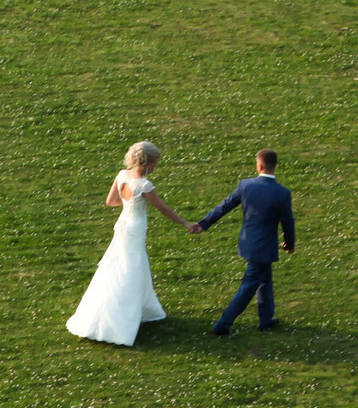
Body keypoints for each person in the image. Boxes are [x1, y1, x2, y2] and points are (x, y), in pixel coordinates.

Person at [66, 141, 197, 346]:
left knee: (119, 264)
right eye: (154, 164)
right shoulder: (144, 185)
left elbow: (111, 201)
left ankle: (139, 309)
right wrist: (185, 223)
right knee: (131, 268)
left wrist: (129, 204)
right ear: (147, 163)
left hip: (123, 225)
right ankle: (123, 317)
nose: (154, 168)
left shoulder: (122, 176)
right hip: (135, 229)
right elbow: (163, 209)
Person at [197, 150, 296, 334]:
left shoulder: (246, 186)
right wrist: (289, 243)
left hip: (248, 242)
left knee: (264, 279)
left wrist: (204, 223)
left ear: (259, 166)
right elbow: (288, 221)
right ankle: (223, 324)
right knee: (249, 285)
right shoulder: (282, 193)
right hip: (264, 246)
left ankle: (266, 320)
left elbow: (225, 206)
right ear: (275, 166)